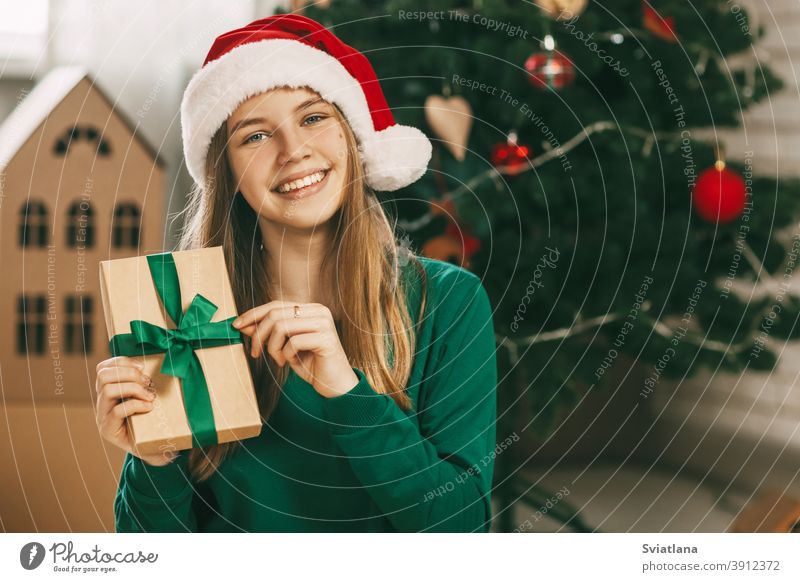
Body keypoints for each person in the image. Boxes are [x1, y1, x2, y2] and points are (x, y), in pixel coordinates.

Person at [95, 13, 497, 533]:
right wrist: (153, 459)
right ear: (229, 173)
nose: (292, 151)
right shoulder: (180, 316)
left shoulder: (447, 302)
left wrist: (347, 393)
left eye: (312, 118)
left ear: (352, 137)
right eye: (255, 135)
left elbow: (462, 528)